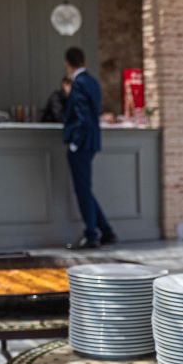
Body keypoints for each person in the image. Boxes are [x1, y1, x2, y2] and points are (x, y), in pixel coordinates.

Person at [63, 47, 115, 249]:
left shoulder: (79, 83)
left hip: (82, 143)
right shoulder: (92, 81)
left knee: (82, 190)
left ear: (68, 63)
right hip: (92, 141)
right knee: (85, 188)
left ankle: (91, 234)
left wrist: (75, 142)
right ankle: (106, 231)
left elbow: (82, 115)